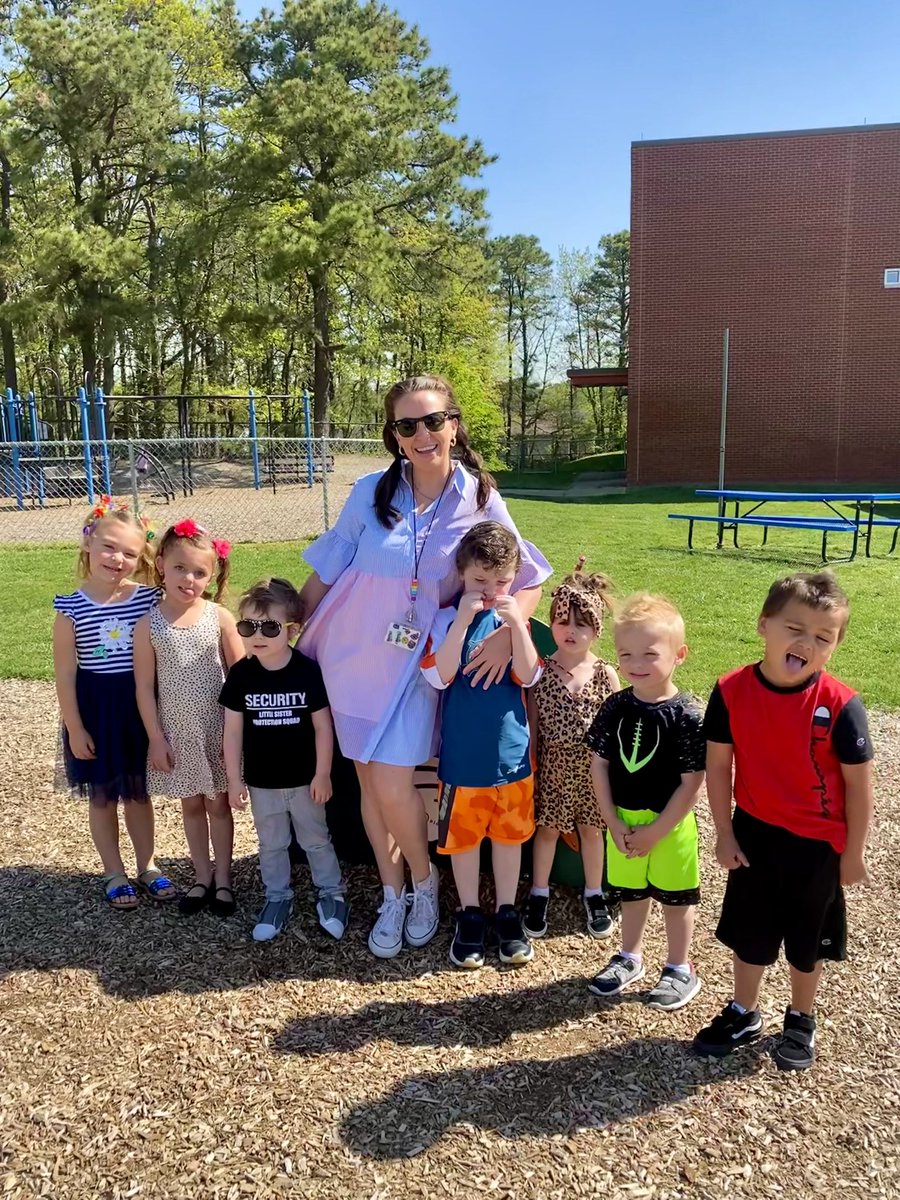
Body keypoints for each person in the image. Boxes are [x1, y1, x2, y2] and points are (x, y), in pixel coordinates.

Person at [299, 374, 551, 959]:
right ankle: (393, 893)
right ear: (394, 434)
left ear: (454, 425)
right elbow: (332, 566)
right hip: (355, 652)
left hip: (421, 662)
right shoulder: (369, 491)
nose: (423, 434)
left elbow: (529, 577)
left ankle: (424, 882)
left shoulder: (479, 498)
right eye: (407, 424)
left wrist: (500, 638)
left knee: (391, 780)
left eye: (434, 420)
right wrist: (293, 622)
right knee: (368, 781)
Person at [694, 571, 874, 1070]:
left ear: (834, 647)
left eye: (823, 637)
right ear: (764, 625)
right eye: (795, 628)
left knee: (805, 940)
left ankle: (800, 1017)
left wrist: (853, 853)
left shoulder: (842, 706)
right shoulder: (730, 691)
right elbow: (718, 765)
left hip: (817, 845)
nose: (806, 643)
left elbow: (860, 787)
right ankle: (744, 1010)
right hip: (754, 833)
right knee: (750, 932)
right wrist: (724, 833)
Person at [420, 522, 542, 969]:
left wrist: (515, 627)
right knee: (464, 842)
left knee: (510, 840)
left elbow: (530, 675)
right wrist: (464, 620)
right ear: (462, 575)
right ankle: (470, 914)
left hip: (512, 762)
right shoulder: (445, 619)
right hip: (462, 764)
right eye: (479, 581)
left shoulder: (514, 622)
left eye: (501, 583)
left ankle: (507, 912)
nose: (490, 591)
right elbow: (438, 675)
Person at [52, 496, 177, 910]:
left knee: (138, 794)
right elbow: (66, 674)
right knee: (102, 795)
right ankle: (113, 870)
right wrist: (75, 726)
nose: (117, 558)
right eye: (109, 546)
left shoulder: (146, 599)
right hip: (96, 710)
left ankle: (148, 865)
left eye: (129, 552)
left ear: (142, 557)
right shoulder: (70, 608)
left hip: (137, 705)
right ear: (88, 542)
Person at [585, 595, 705, 1011]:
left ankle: (679, 968)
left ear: (679, 655)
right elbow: (598, 764)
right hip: (622, 819)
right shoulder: (615, 706)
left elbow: (692, 782)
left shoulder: (688, 715)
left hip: (669, 825)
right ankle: (629, 956)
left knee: (676, 898)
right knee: (631, 893)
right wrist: (611, 821)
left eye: (650, 654)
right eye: (625, 654)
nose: (636, 663)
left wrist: (658, 829)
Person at [221, 577, 349, 943]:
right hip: (263, 782)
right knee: (271, 844)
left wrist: (323, 773)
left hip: (305, 780)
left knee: (316, 840)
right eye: (247, 626)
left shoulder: (307, 671)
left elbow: (324, 727)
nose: (256, 635)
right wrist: (234, 779)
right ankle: (277, 898)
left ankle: (332, 894)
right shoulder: (242, 675)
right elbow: (232, 732)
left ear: (291, 630)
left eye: (269, 627)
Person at [134, 519, 244, 918]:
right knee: (192, 806)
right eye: (181, 568)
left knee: (218, 806)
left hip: (215, 730)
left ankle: (226, 879)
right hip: (177, 733)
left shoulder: (219, 617)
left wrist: (237, 734)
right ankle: (201, 876)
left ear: (211, 576)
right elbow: (144, 687)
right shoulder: (148, 623)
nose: (189, 579)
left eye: (200, 572)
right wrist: (156, 738)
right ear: (162, 564)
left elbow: (241, 676)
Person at [523, 560, 620, 941]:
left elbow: (616, 728)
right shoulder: (542, 673)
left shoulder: (604, 673)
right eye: (562, 622)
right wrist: (530, 766)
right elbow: (533, 727)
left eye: (581, 624)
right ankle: (539, 892)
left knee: (592, 832)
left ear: (595, 629)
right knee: (546, 831)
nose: (570, 631)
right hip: (553, 768)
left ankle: (594, 893)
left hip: (594, 770)